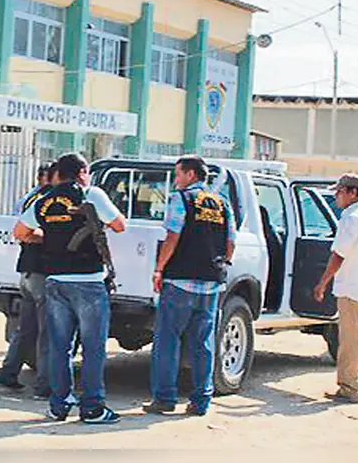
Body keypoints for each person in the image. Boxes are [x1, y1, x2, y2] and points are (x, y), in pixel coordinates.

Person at [14, 152, 126, 424]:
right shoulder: (91, 195)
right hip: (88, 281)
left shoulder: (44, 200)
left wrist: (50, 236)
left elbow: (20, 232)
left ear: (58, 174)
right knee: (93, 348)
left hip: (55, 282)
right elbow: (120, 225)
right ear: (82, 172)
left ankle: (59, 405)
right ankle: (93, 408)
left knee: (59, 348)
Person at [143, 156, 235, 417]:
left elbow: (173, 236)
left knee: (167, 341)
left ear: (191, 174)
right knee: (203, 344)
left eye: (179, 174)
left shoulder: (181, 199)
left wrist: (159, 268)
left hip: (180, 282)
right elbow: (230, 241)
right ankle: (201, 401)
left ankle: (164, 399)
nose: (176, 180)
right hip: (211, 284)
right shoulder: (222, 203)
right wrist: (222, 264)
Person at [313, 173, 358, 403]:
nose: (337, 197)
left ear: (352, 193)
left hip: (352, 287)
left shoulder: (350, 218)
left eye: (340, 192)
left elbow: (339, 254)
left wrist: (323, 282)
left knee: (350, 341)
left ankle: (347, 387)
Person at [0, 163, 55, 398]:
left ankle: (8, 372)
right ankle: (44, 385)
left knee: (27, 329)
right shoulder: (46, 202)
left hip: (28, 271)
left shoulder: (32, 199)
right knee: (46, 331)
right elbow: (27, 233)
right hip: (40, 271)